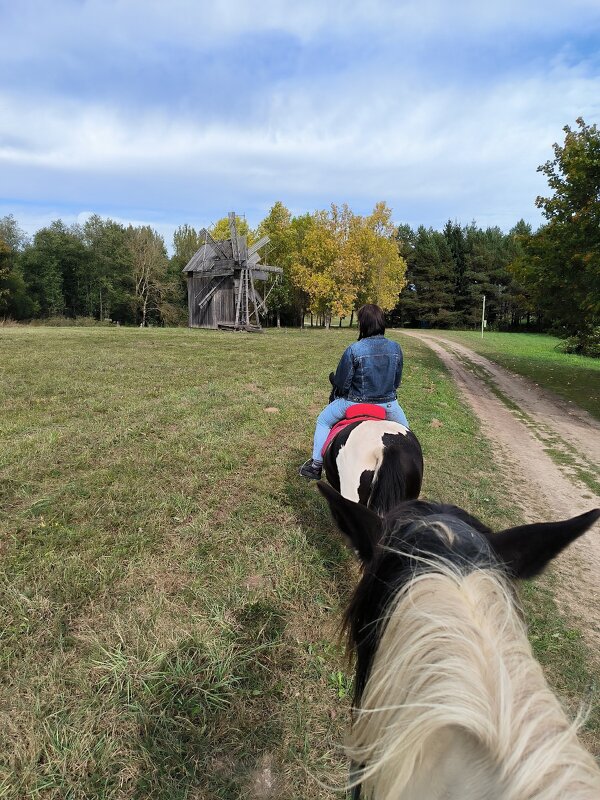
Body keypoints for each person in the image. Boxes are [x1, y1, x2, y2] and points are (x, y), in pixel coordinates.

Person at [299, 304, 410, 480]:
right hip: (388, 404)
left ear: (362, 324)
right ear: (381, 323)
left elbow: (342, 385)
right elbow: (396, 382)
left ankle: (315, 465)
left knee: (323, 421)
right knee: (407, 434)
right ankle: (407, 468)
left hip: (354, 402)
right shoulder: (396, 348)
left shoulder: (354, 349)